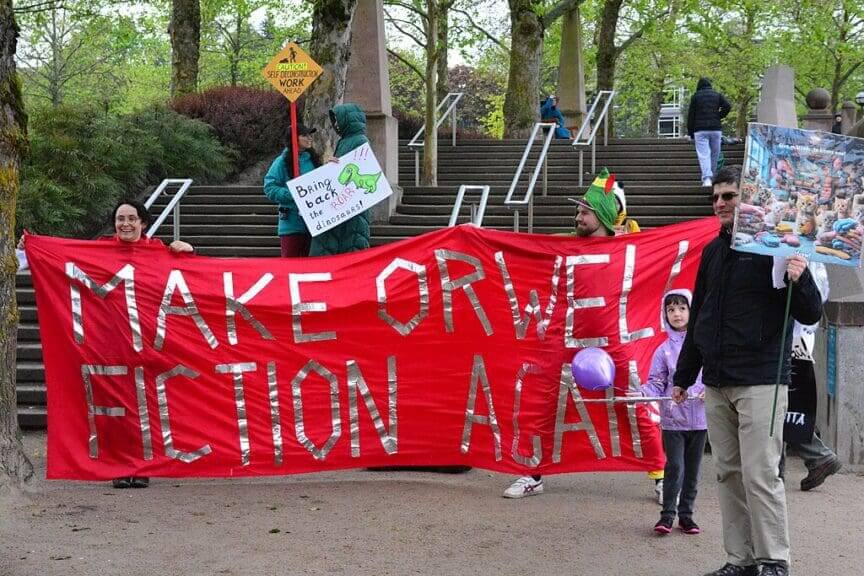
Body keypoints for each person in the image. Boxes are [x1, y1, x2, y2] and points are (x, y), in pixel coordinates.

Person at [673, 165, 823, 576]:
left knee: (760, 475)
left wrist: (801, 275)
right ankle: (740, 559)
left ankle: (773, 560)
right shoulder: (712, 251)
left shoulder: (776, 248)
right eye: (716, 197)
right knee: (727, 475)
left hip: (761, 379)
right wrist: (685, 376)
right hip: (717, 381)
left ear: (749, 199)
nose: (721, 203)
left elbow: (811, 312)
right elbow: (700, 313)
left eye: (730, 195)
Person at [19, 199, 194, 489]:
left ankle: (143, 465)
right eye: (120, 219)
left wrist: (186, 252)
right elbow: (66, 259)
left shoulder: (159, 251)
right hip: (109, 343)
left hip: (149, 343)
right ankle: (119, 465)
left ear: (143, 223)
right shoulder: (100, 250)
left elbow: (194, 281)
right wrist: (35, 247)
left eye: (131, 219)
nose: (125, 224)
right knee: (114, 411)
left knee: (145, 408)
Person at [504, 169, 619, 498]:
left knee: (633, 404)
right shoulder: (565, 245)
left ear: (602, 218)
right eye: (578, 211)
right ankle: (533, 473)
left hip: (611, 337)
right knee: (543, 402)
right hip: (565, 337)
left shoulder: (625, 249)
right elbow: (540, 268)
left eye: (585, 212)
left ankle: (659, 475)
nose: (578, 216)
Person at [633, 289, 707, 535]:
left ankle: (687, 516)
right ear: (665, 315)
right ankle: (667, 516)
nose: (677, 313)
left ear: (691, 311)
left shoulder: (704, 344)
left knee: (693, 471)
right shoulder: (662, 350)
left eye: (682, 308)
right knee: (675, 467)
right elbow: (655, 382)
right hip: (673, 421)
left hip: (700, 421)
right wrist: (642, 393)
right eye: (671, 309)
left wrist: (711, 389)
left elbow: (714, 373)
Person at [781, 261, 842, 491]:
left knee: (782, 406)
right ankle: (817, 457)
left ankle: (817, 456)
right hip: (801, 337)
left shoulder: (801, 258)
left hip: (792, 336)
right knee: (786, 405)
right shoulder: (814, 258)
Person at [308, 103, 371, 257]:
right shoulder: (345, 141)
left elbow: (357, 170)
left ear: (347, 120)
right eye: (334, 120)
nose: (335, 124)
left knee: (351, 246)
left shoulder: (359, 140)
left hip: (351, 206)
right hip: (343, 203)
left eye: (337, 119)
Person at [263, 123, 321, 257]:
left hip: (314, 224)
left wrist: (333, 166)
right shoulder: (281, 162)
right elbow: (269, 187)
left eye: (309, 135)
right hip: (291, 225)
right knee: (290, 268)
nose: (309, 138)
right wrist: (293, 194)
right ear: (294, 139)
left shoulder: (314, 160)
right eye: (304, 135)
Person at [687, 78, 731, 187]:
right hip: (715, 129)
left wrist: (690, 133)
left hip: (700, 130)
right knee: (715, 154)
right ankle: (713, 177)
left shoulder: (696, 96)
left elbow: (691, 116)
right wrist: (718, 116)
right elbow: (727, 106)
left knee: (704, 155)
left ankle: (707, 179)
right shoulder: (717, 95)